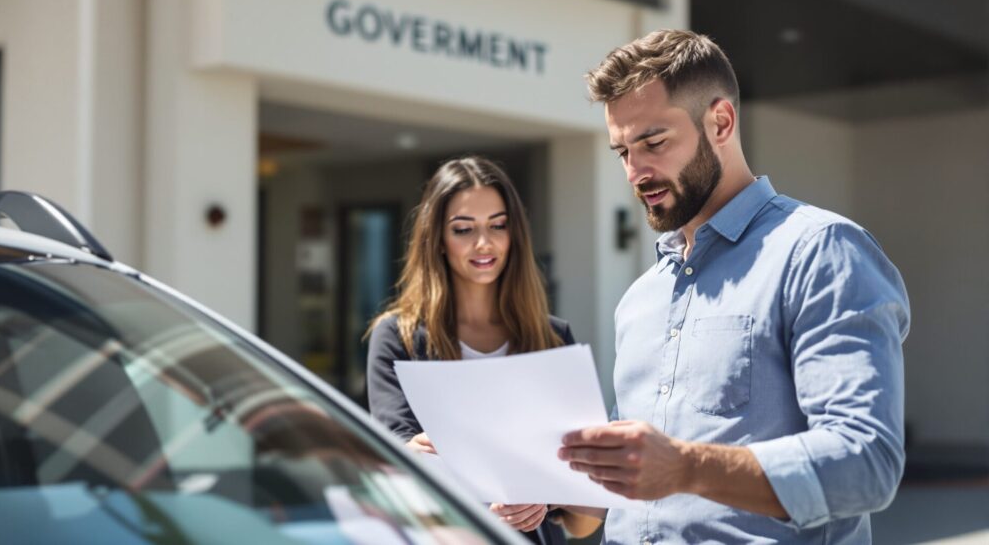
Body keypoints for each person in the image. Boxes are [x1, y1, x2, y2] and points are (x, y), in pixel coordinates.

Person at [557, 30, 910, 544]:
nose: (636, 172)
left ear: (720, 121)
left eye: (654, 143)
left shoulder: (820, 251)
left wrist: (686, 467)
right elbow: (624, 486)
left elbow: (867, 461)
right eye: (622, 152)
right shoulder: (641, 298)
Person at [367, 156, 601, 544]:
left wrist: (546, 496)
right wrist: (413, 456)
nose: (484, 243)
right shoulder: (398, 338)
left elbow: (584, 521)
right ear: (437, 238)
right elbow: (395, 466)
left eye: (498, 225)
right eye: (463, 229)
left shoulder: (552, 338)